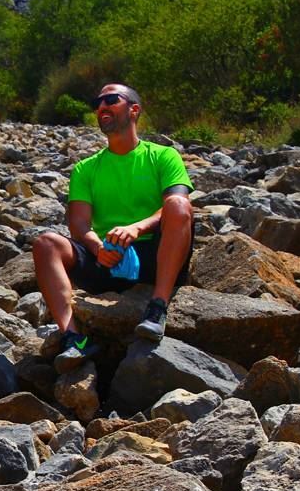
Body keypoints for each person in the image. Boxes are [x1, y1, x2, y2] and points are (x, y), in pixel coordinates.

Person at [31, 83, 194, 373]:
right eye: (97, 102)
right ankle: (73, 337)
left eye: (110, 100)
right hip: (107, 258)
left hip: (155, 256)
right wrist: (97, 247)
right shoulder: (85, 169)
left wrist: (137, 228)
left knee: (180, 208)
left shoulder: (163, 156)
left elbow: (176, 201)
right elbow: (79, 223)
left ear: (134, 109)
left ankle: (157, 308)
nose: (101, 107)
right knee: (46, 243)